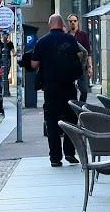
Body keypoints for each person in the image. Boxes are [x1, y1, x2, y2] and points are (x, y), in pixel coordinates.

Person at [26, 13, 86, 166]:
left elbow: (33, 65)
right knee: (71, 121)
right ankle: (69, 152)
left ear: (49, 24)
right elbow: (80, 55)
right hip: (69, 87)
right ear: (62, 25)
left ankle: (55, 158)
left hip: (50, 89)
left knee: (52, 122)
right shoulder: (70, 39)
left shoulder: (42, 42)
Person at [66, 14, 93, 99]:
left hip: (81, 67)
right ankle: (73, 109)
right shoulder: (66, 36)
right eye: (71, 21)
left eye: (75, 21)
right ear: (68, 23)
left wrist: (90, 67)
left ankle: (80, 108)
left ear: (78, 22)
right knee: (71, 91)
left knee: (84, 91)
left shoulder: (83, 35)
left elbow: (88, 52)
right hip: (69, 67)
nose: (73, 23)